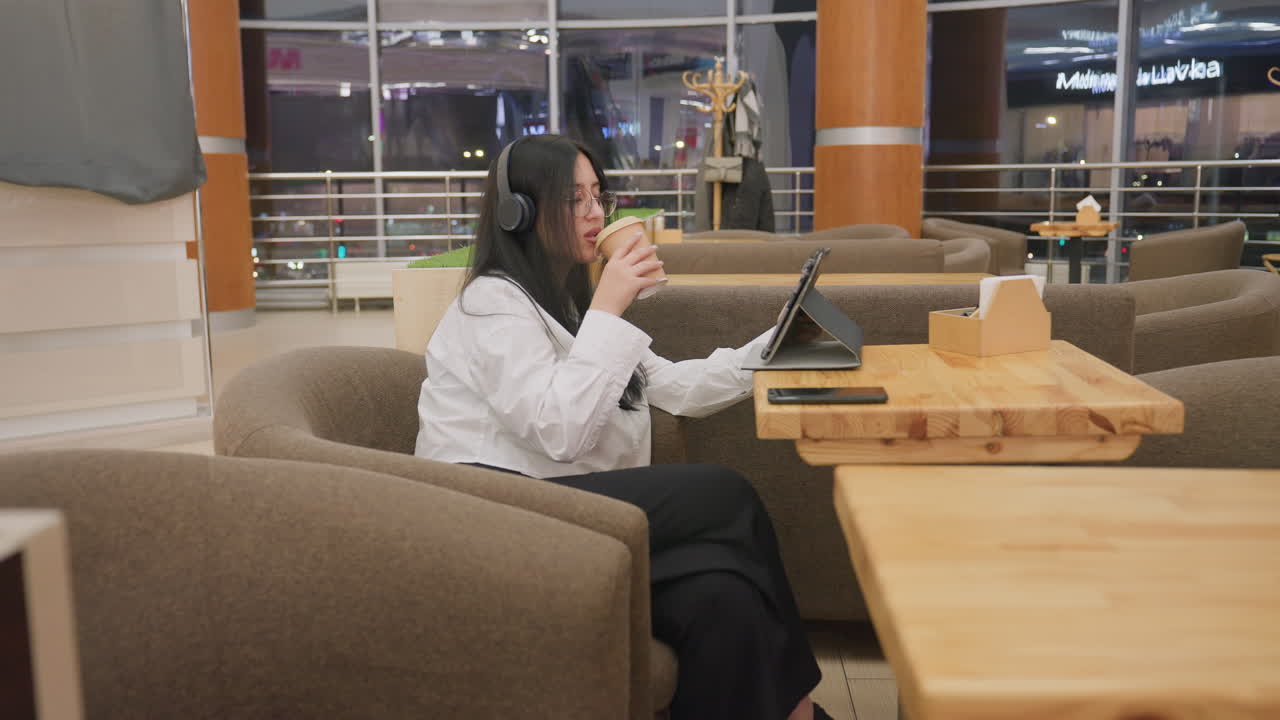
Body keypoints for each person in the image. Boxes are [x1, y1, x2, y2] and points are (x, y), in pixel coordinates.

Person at [414, 134, 831, 720]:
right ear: (521, 213)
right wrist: (610, 307)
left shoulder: (564, 305)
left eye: (597, 196)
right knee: (725, 494)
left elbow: (679, 388)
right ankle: (803, 711)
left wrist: (777, 344)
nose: (595, 213)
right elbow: (558, 432)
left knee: (724, 594)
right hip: (493, 517)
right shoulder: (491, 305)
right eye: (573, 199)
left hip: (564, 516)